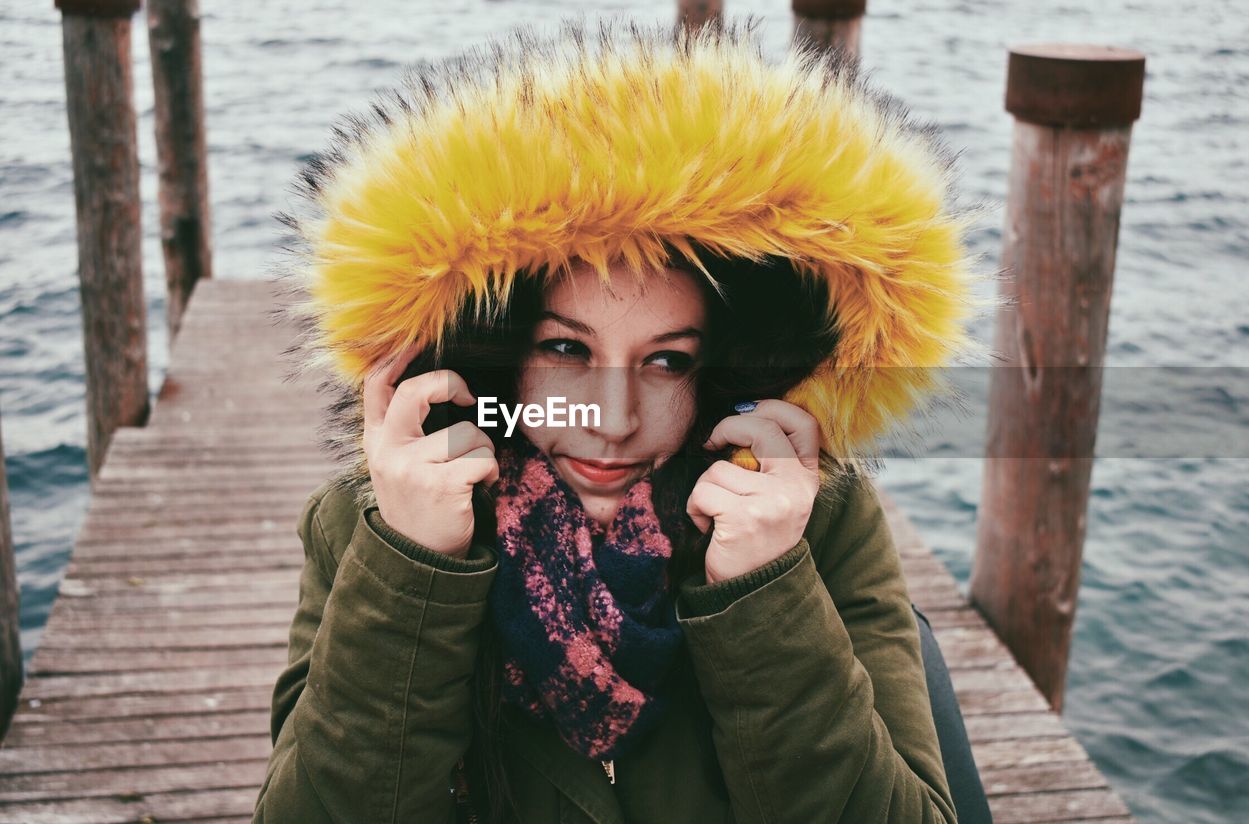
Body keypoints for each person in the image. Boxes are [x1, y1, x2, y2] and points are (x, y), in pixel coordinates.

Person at [256, 16, 993, 824]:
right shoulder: (369, 528)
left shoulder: (821, 527)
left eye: (668, 360)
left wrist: (763, 593)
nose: (612, 420)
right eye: (567, 350)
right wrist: (415, 571)